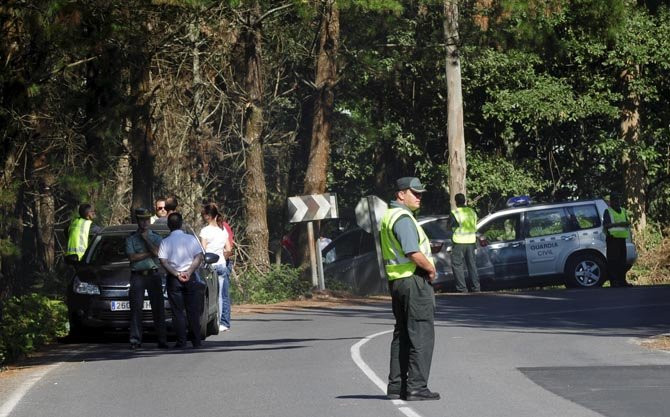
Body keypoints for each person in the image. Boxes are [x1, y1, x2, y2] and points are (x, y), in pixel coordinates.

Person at [380, 177, 440, 401]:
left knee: (402, 334)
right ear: (400, 194)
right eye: (414, 193)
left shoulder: (389, 215)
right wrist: (430, 269)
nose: (419, 197)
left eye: (420, 193)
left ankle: (396, 386)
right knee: (421, 333)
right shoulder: (403, 218)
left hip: (397, 282)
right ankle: (416, 387)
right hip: (414, 281)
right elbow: (412, 252)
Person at [158, 212, 205, 348]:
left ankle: (181, 341)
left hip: (174, 279)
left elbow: (163, 261)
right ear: (181, 223)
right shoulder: (190, 239)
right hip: (190, 277)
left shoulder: (165, 242)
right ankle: (196, 341)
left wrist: (176, 273)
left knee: (177, 311)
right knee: (192, 310)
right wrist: (189, 272)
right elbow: (198, 257)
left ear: (168, 226)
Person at [125, 208, 167, 350]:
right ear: (138, 221)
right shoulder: (130, 238)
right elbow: (132, 257)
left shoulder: (155, 237)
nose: (144, 222)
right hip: (138, 276)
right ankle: (135, 340)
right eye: (142, 220)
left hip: (153, 275)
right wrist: (149, 253)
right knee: (136, 309)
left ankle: (162, 339)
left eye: (147, 220)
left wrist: (146, 240)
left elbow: (158, 252)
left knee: (158, 308)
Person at [199, 203, 232, 332]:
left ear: (208, 216)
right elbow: (228, 249)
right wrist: (222, 255)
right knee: (223, 295)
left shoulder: (205, 231)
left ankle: (214, 321)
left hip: (210, 266)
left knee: (212, 294)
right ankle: (224, 323)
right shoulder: (222, 230)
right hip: (222, 264)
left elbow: (203, 250)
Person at [448, 193, 480, 293]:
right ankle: (476, 287)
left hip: (459, 242)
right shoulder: (472, 212)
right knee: (472, 265)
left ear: (456, 202)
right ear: (464, 200)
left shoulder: (455, 212)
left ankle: (462, 289)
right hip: (471, 241)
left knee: (457, 265)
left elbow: (449, 226)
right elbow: (475, 226)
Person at [603, 193, 632, 287]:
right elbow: (606, 225)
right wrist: (618, 224)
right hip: (612, 239)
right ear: (611, 202)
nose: (616, 202)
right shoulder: (608, 211)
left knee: (622, 262)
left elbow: (627, 222)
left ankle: (622, 281)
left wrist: (626, 223)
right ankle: (614, 281)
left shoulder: (623, 210)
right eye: (614, 200)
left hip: (622, 239)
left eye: (618, 200)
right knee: (613, 261)